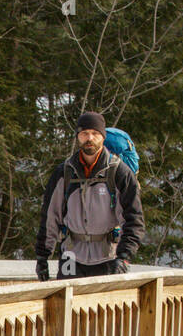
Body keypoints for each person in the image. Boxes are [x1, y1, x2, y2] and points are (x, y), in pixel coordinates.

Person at [35, 111, 145, 280]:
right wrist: (43, 256)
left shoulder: (119, 172)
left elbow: (133, 218)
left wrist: (124, 257)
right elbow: (51, 216)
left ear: (103, 136)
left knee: (103, 306)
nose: (90, 138)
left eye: (95, 134)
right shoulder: (64, 172)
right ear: (78, 136)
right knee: (67, 304)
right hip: (70, 255)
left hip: (107, 257)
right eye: (85, 133)